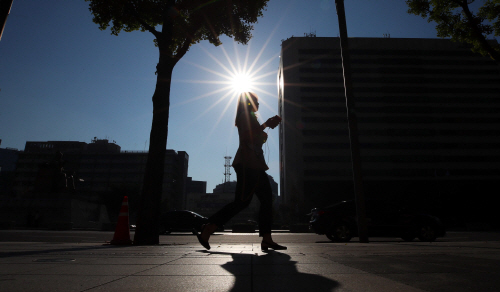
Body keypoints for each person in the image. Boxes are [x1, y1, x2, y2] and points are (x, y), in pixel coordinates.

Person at [195, 92, 285, 251]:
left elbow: (255, 139)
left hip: (255, 165)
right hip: (247, 165)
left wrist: (264, 128)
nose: (258, 104)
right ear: (248, 103)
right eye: (256, 101)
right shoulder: (244, 116)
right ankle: (208, 227)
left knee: (265, 200)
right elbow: (247, 137)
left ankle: (267, 238)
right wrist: (265, 125)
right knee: (242, 202)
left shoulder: (251, 118)